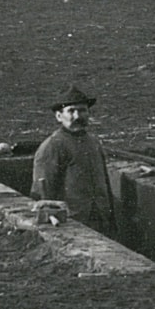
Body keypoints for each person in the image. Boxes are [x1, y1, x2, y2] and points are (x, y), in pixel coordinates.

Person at [32, 87, 117, 232]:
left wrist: (111, 216)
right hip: (73, 220)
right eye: (71, 111)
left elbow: (105, 183)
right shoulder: (53, 146)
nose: (78, 116)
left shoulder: (93, 142)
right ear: (59, 116)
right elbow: (43, 190)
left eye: (82, 110)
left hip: (100, 217)